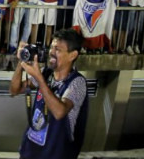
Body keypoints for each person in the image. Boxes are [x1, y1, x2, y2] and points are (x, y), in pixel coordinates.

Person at [9, 29, 89, 159]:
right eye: (51, 47)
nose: (51, 52)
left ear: (72, 55)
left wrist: (39, 79)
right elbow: (14, 90)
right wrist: (21, 62)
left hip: (56, 154)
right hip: (31, 151)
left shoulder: (77, 82)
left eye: (57, 49)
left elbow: (59, 112)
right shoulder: (46, 73)